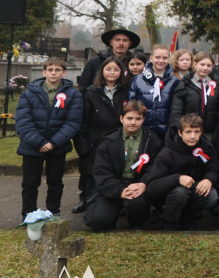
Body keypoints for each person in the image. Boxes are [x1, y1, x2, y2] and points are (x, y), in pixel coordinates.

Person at [16, 58, 82, 220]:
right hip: (32, 146)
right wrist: (39, 142)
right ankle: (29, 214)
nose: (53, 72)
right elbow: (23, 121)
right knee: (30, 183)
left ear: (64, 73)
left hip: (57, 146)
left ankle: (54, 213)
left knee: (55, 182)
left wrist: (53, 143)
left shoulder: (73, 95)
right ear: (44, 72)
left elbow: (73, 122)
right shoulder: (29, 94)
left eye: (57, 70)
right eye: (50, 69)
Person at [84, 101, 162, 231]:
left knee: (138, 205)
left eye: (138, 119)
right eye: (129, 118)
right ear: (121, 118)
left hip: (138, 186)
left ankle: (137, 222)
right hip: (114, 185)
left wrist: (144, 184)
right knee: (99, 221)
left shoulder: (152, 140)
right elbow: (101, 172)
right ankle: (113, 215)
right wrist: (120, 191)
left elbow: (156, 167)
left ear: (143, 119)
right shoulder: (108, 141)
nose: (133, 122)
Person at [73, 56, 130, 214]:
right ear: (102, 71)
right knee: (90, 175)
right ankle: (87, 201)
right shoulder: (91, 92)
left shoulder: (126, 91)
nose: (112, 73)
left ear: (121, 72)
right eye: (108, 69)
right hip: (95, 141)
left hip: (117, 140)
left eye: (116, 69)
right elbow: (83, 120)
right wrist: (83, 146)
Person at [146, 113, 219, 230]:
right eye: (188, 132)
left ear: (201, 132)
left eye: (197, 132)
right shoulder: (167, 152)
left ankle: (188, 219)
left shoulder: (207, 148)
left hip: (195, 189)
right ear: (180, 133)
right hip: (171, 193)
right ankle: (168, 223)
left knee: (212, 196)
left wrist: (208, 179)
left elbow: (214, 169)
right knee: (180, 192)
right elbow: (152, 187)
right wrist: (177, 179)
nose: (193, 136)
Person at [168, 51, 219, 140]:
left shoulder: (218, 84)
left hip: (210, 132)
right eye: (202, 64)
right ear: (195, 64)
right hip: (190, 131)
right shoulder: (184, 84)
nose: (205, 68)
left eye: (209, 65)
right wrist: (179, 129)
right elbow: (176, 110)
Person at [128, 45, 179, 138]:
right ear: (151, 58)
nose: (161, 60)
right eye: (157, 57)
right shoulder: (138, 80)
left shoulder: (175, 81)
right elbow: (131, 104)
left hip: (166, 131)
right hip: (143, 129)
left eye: (165, 58)